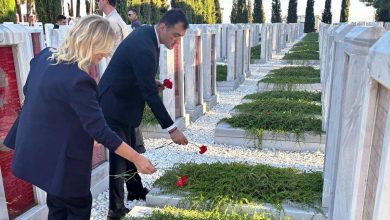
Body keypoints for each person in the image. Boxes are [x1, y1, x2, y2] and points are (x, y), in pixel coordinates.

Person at [3, 15, 156, 220]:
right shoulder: (78, 81)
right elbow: (100, 131)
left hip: (39, 155)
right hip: (64, 164)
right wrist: (137, 158)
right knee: (78, 206)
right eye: (104, 49)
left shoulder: (44, 57)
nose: (105, 54)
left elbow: (29, 90)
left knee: (56, 206)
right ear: (92, 44)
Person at [98, 9, 189, 219]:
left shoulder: (148, 34)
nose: (176, 41)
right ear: (163, 27)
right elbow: (149, 94)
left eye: (180, 37)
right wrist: (172, 129)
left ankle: (136, 190)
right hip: (114, 103)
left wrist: (150, 81)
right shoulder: (144, 46)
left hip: (124, 100)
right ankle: (115, 210)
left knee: (129, 147)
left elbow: (139, 74)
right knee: (121, 155)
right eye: (175, 35)